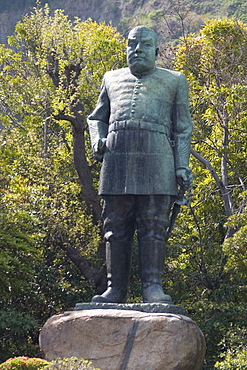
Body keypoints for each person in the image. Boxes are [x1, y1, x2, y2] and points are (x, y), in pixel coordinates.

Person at [87, 26, 193, 304]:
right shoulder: (111, 78)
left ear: (157, 51)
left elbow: (182, 128)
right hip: (116, 158)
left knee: (154, 225)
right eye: (132, 44)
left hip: (157, 158)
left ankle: (152, 287)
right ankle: (115, 289)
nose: (137, 50)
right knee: (114, 226)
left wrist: (181, 166)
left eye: (145, 45)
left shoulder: (174, 80)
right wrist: (97, 139)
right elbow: (96, 118)